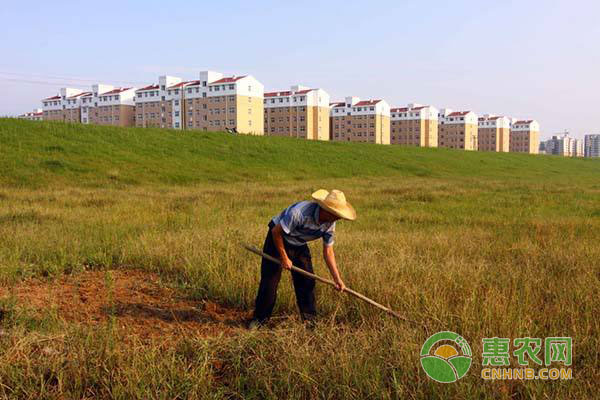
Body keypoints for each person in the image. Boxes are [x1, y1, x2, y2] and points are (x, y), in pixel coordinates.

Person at [248, 189, 356, 328]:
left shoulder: (330, 224)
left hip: (299, 243)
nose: (338, 218)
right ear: (325, 210)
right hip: (278, 239)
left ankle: (310, 321)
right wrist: (284, 257)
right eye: (336, 214)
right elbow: (276, 232)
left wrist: (337, 278)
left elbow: (328, 251)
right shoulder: (299, 213)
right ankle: (259, 320)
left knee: (307, 281)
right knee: (270, 281)